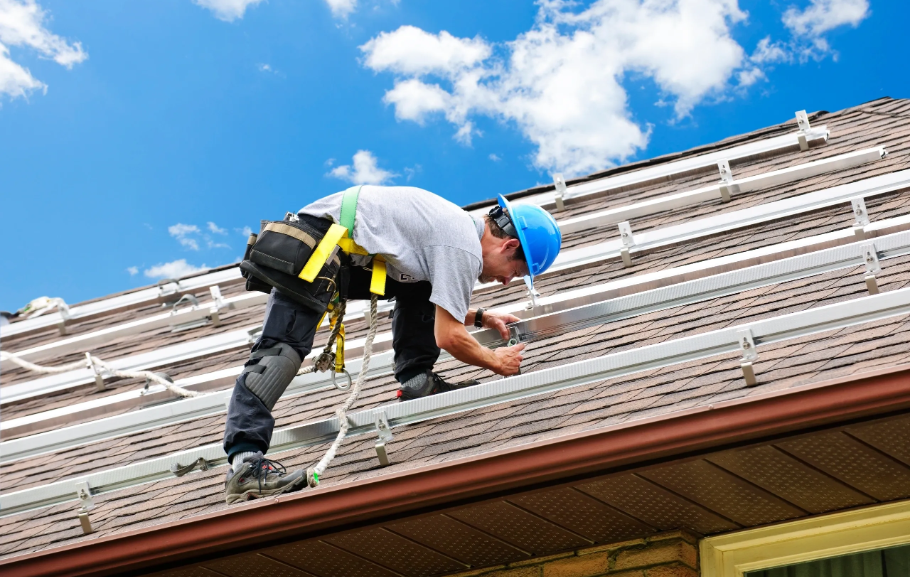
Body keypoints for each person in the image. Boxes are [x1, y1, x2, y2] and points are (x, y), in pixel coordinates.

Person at [222, 185, 562, 503]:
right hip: (316, 246)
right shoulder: (462, 247)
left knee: (421, 286)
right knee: (280, 354)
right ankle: (244, 466)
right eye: (514, 273)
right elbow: (448, 336)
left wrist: (480, 317)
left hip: (339, 250)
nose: (504, 281)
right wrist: (495, 362)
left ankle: (418, 381)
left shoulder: (456, 231)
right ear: (509, 246)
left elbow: (437, 300)